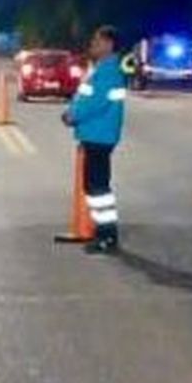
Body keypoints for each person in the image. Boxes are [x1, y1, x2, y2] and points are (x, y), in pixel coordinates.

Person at [62, 25, 128, 254]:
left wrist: (72, 116)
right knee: (95, 186)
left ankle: (107, 235)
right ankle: (103, 233)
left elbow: (94, 103)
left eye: (97, 41)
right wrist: (73, 110)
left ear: (109, 44)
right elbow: (84, 96)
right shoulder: (101, 69)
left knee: (97, 187)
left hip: (100, 135)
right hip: (96, 134)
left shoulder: (107, 72)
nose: (93, 45)